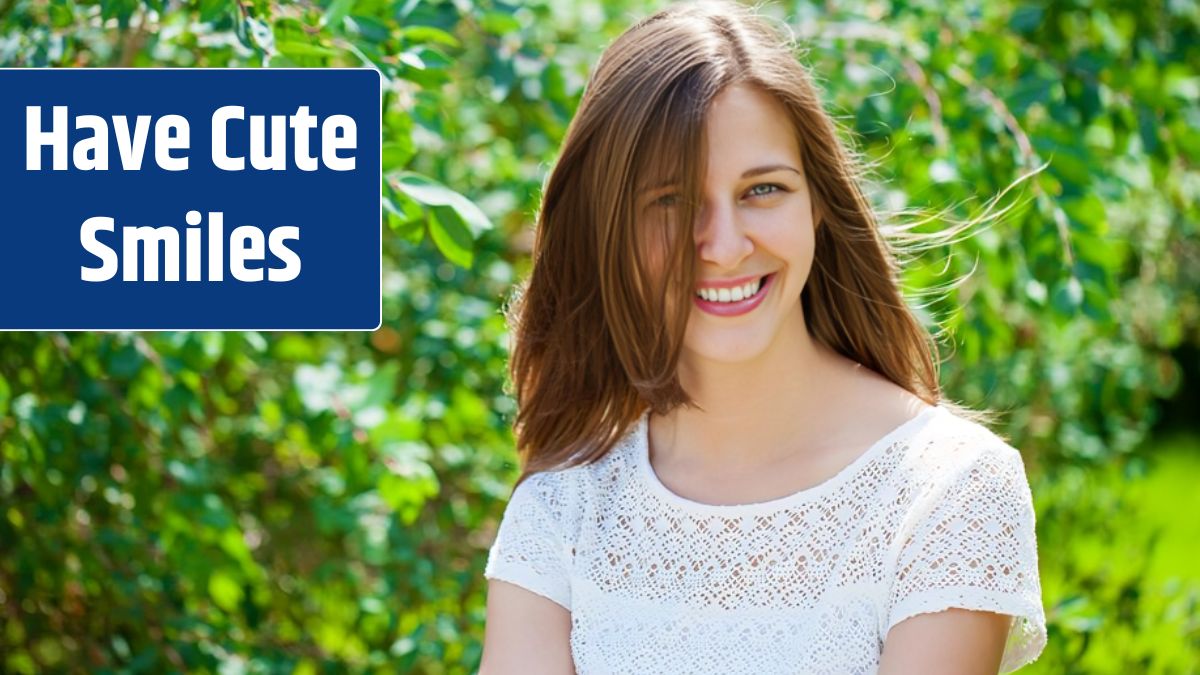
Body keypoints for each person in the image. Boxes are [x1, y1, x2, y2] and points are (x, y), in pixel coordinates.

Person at [479, 1, 1047, 673]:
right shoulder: (565, 509)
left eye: (762, 190)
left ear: (817, 205)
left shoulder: (946, 488)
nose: (722, 245)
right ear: (610, 231)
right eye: (671, 201)